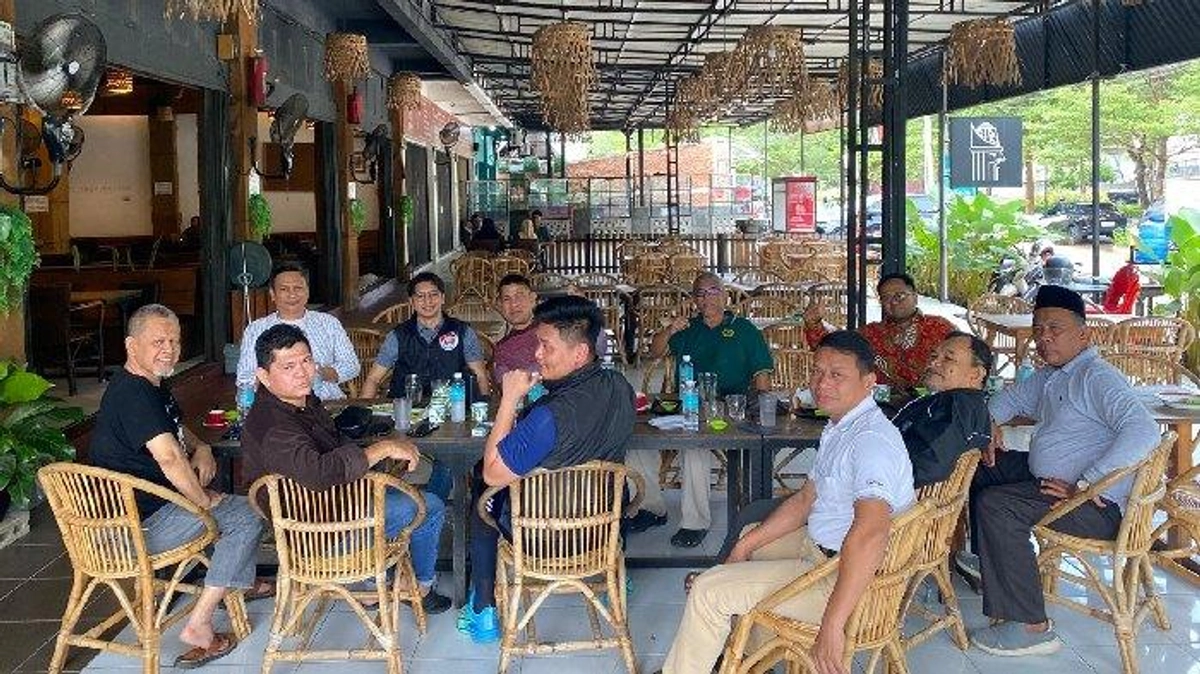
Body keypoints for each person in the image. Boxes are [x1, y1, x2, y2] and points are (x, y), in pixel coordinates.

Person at [656, 331, 916, 674]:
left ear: (869, 382)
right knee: (749, 536)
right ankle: (751, 659)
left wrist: (832, 624)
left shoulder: (870, 442)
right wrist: (742, 548)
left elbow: (871, 534)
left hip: (846, 580)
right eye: (817, 372)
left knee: (708, 590)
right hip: (823, 551)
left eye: (837, 375)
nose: (822, 383)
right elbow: (806, 499)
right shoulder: (842, 426)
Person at [961, 285, 1160, 657]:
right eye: (1038, 329)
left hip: (1097, 506)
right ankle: (986, 561)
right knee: (982, 465)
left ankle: (1030, 626)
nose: (1044, 337)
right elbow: (1009, 400)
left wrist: (1088, 483)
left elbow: (1144, 430)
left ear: (1083, 335)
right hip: (1053, 482)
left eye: (1055, 328)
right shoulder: (1055, 374)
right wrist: (990, 423)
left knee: (997, 505)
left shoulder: (1096, 377)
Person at [89, 304, 270, 668]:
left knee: (228, 504)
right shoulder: (133, 395)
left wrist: (201, 447)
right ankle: (200, 624)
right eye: (158, 341)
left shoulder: (149, 386)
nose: (169, 349)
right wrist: (202, 501)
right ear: (131, 346)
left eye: (174, 341)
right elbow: (170, 458)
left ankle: (237, 578)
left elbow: (174, 429)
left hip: (136, 516)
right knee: (248, 513)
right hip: (133, 530)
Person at [716, 331, 992, 562]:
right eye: (935, 355)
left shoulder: (956, 406)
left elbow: (928, 464)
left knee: (753, 513)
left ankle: (726, 577)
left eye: (948, 358)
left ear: (976, 373)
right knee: (765, 515)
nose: (935, 362)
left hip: (874, 516)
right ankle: (730, 575)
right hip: (860, 502)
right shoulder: (947, 403)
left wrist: (861, 470)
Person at [458, 296, 635, 643]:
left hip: (542, 538)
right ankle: (614, 579)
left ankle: (483, 609)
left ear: (580, 353)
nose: (537, 354)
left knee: (482, 484)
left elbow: (494, 472)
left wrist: (509, 399)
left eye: (546, 346)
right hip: (601, 533)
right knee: (618, 484)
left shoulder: (548, 416)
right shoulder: (620, 387)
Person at [240, 324, 451, 613]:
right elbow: (319, 473)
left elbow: (335, 444)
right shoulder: (274, 425)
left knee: (402, 488)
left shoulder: (302, 403)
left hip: (335, 507)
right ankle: (420, 588)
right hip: (322, 534)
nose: (302, 372)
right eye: (288, 366)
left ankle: (374, 582)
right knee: (430, 505)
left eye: (306, 361)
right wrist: (380, 449)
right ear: (264, 376)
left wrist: (379, 451)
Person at [626, 272, 773, 547]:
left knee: (694, 445)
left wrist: (762, 409)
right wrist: (670, 330)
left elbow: (762, 374)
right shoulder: (688, 328)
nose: (707, 298)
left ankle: (695, 523)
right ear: (694, 299)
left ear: (725, 295)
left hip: (729, 409)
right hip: (687, 404)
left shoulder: (744, 329)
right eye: (700, 293)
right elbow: (654, 352)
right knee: (636, 438)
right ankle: (651, 508)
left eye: (713, 291)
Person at [804, 271, 955, 393]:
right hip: (885, 410)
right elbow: (835, 349)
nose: (893, 302)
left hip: (936, 407)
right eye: (886, 298)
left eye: (900, 296)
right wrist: (814, 324)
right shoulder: (871, 334)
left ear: (915, 297)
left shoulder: (940, 328)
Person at [359, 271, 491, 400]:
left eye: (433, 294)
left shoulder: (463, 332)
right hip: (406, 408)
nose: (428, 301)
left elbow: (480, 376)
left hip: (453, 407)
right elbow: (373, 379)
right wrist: (362, 409)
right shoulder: (398, 336)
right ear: (411, 301)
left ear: (443, 298)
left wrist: (484, 406)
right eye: (420, 296)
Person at [236, 263, 359, 401]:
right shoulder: (255, 329)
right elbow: (245, 377)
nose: (292, 294)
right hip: (276, 406)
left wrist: (320, 373)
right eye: (284, 289)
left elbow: (351, 365)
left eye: (298, 288)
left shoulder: (329, 323)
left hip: (327, 402)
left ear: (307, 292)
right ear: (272, 294)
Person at [492, 274, 540, 387]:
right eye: (506, 299)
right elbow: (505, 386)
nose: (513, 304)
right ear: (500, 305)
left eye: (519, 296)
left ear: (532, 299)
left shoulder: (551, 332)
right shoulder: (503, 349)